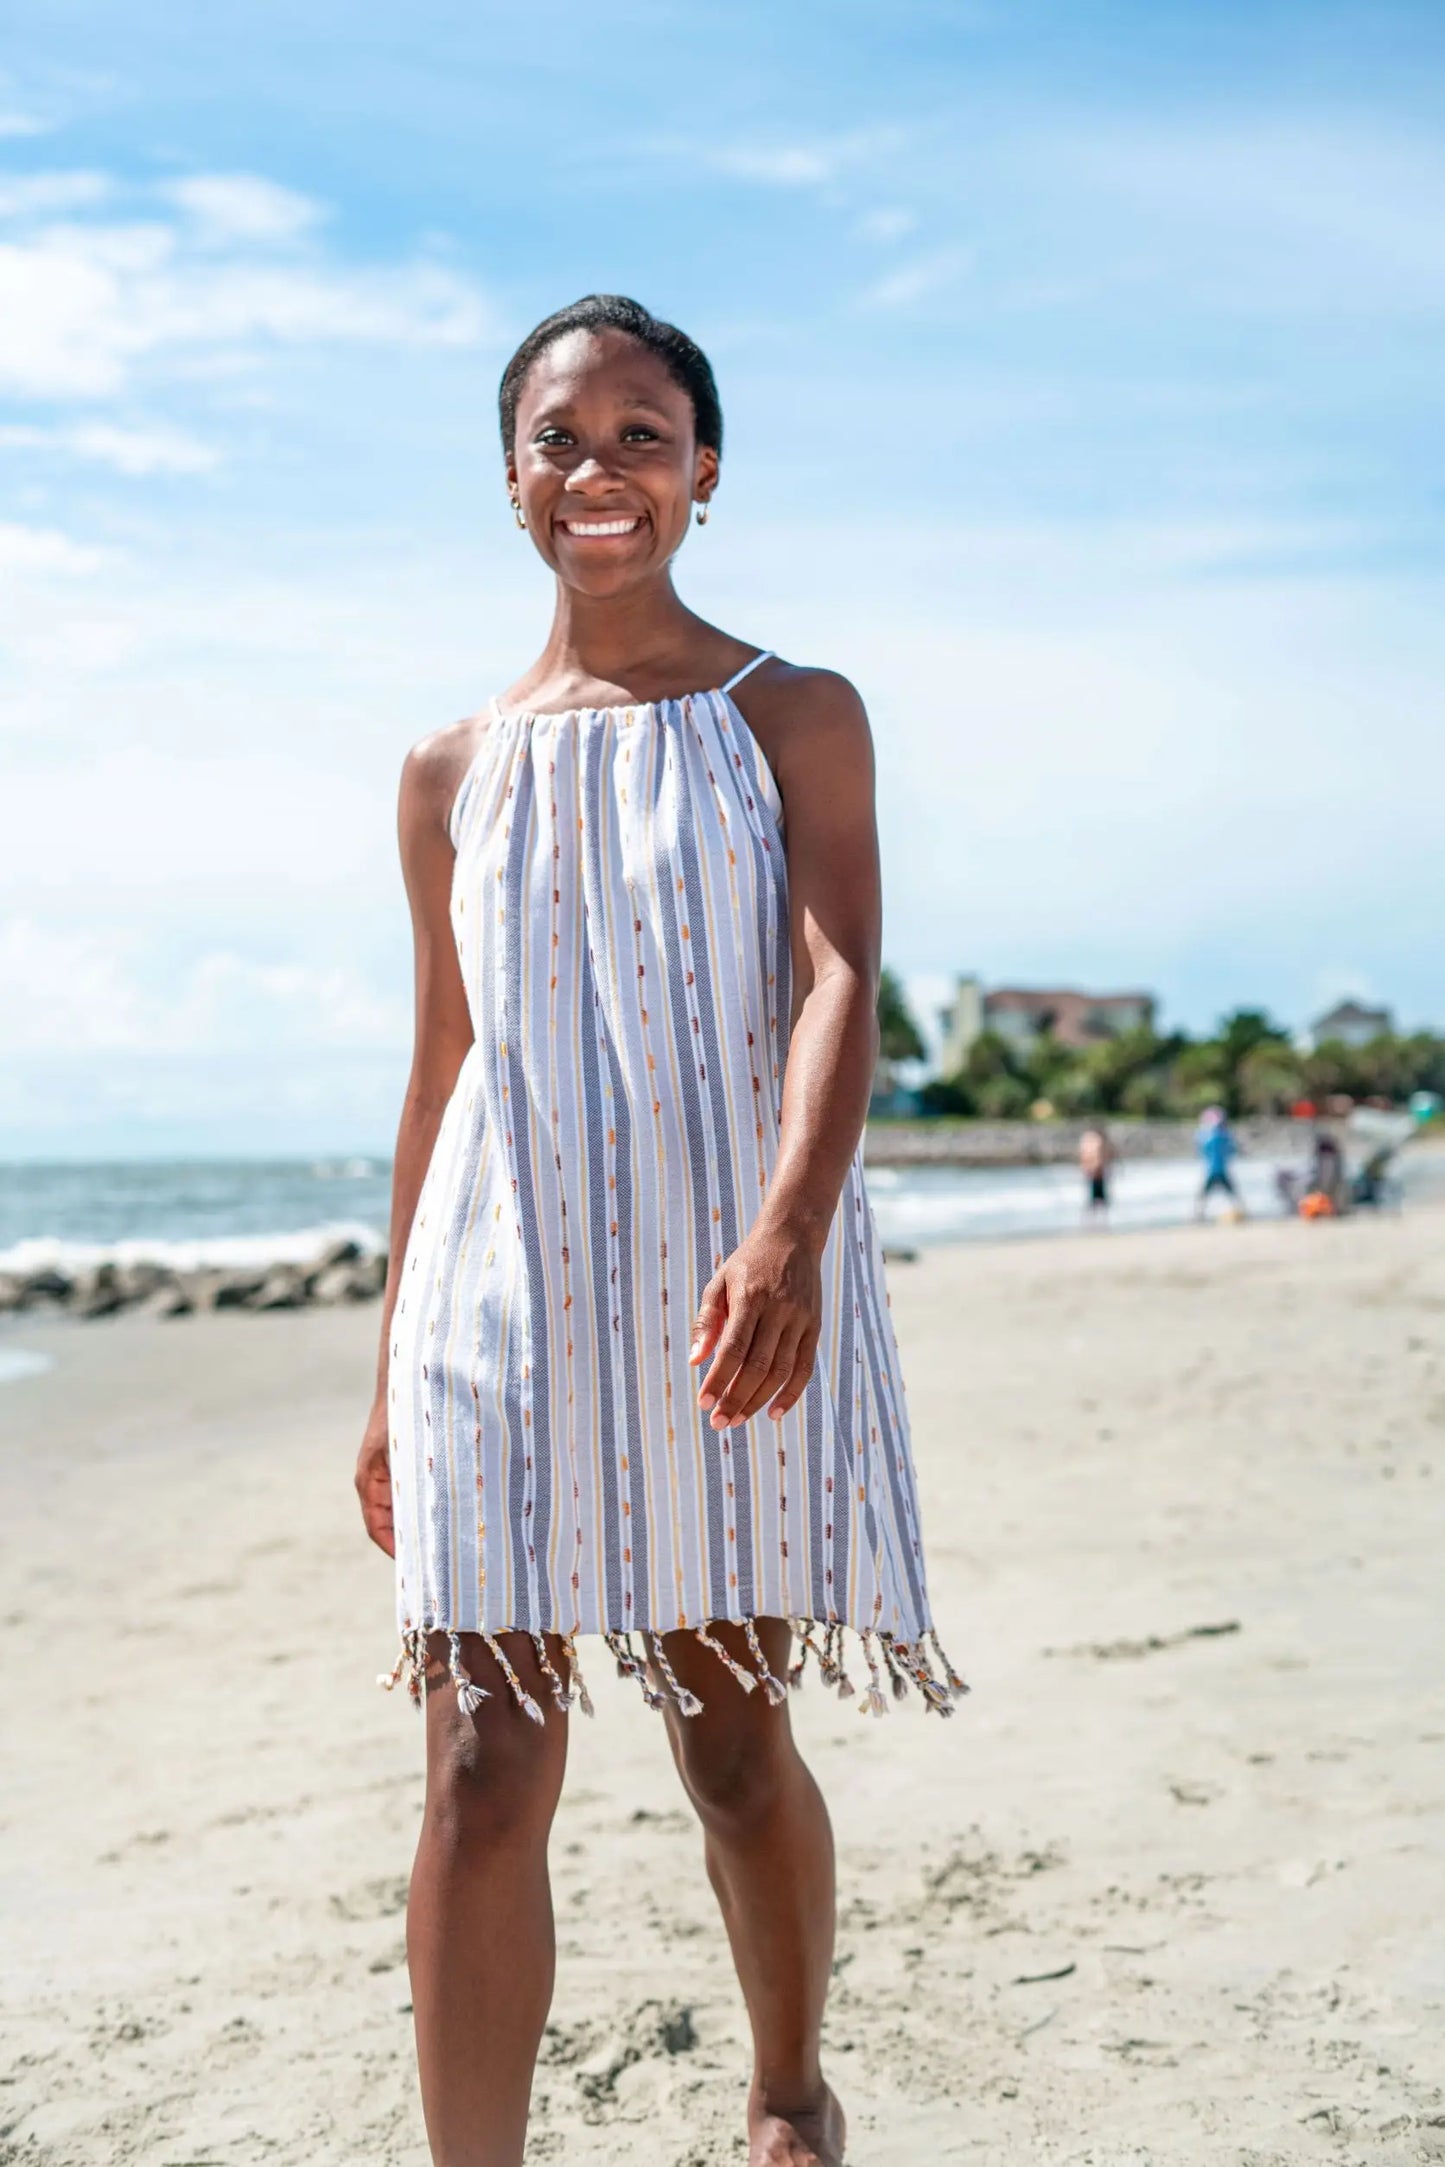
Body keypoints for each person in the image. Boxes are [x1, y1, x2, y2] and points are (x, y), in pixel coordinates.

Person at [352, 295, 961, 2167]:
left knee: (726, 1729)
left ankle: (789, 2091)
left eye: (640, 433)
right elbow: (443, 1068)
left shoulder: (794, 710)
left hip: (726, 1291)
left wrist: (788, 1232)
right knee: (479, 1754)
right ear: (509, 480)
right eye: (560, 437)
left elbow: (841, 970)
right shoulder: (449, 770)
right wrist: (388, 1367)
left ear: (705, 471)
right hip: (500, 1300)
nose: (597, 470)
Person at [1195, 1105, 1246, 1220]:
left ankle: (1199, 1214)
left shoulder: (1206, 1136)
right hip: (1220, 1169)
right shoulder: (1224, 1136)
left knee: (1204, 1194)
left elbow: (1201, 1151)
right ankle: (1241, 1210)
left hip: (1212, 1170)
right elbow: (1233, 1150)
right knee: (1231, 1192)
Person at [1079, 1123, 1115, 1224]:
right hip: (1096, 1171)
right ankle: (1095, 1220)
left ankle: (1096, 1220)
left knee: (1097, 1198)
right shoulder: (1095, 1141)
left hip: (1096, 1171)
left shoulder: (1090, 1141)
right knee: (1096, 1198)